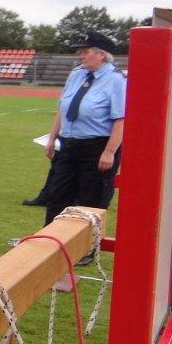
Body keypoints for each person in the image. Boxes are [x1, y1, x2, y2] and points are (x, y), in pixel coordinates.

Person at [42, 30, 126, 262]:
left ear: (101, 54)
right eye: (79, 51)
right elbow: (63, 109)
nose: (80, 56)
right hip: (69, 144)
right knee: (58, 195)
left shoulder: (116, 80)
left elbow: (121, 119)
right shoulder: (76, 75)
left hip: (97, 146)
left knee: (92, 198)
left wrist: (109, 151)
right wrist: (52, 138)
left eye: (85, 51)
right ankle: (50, 241)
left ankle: (86, 249)